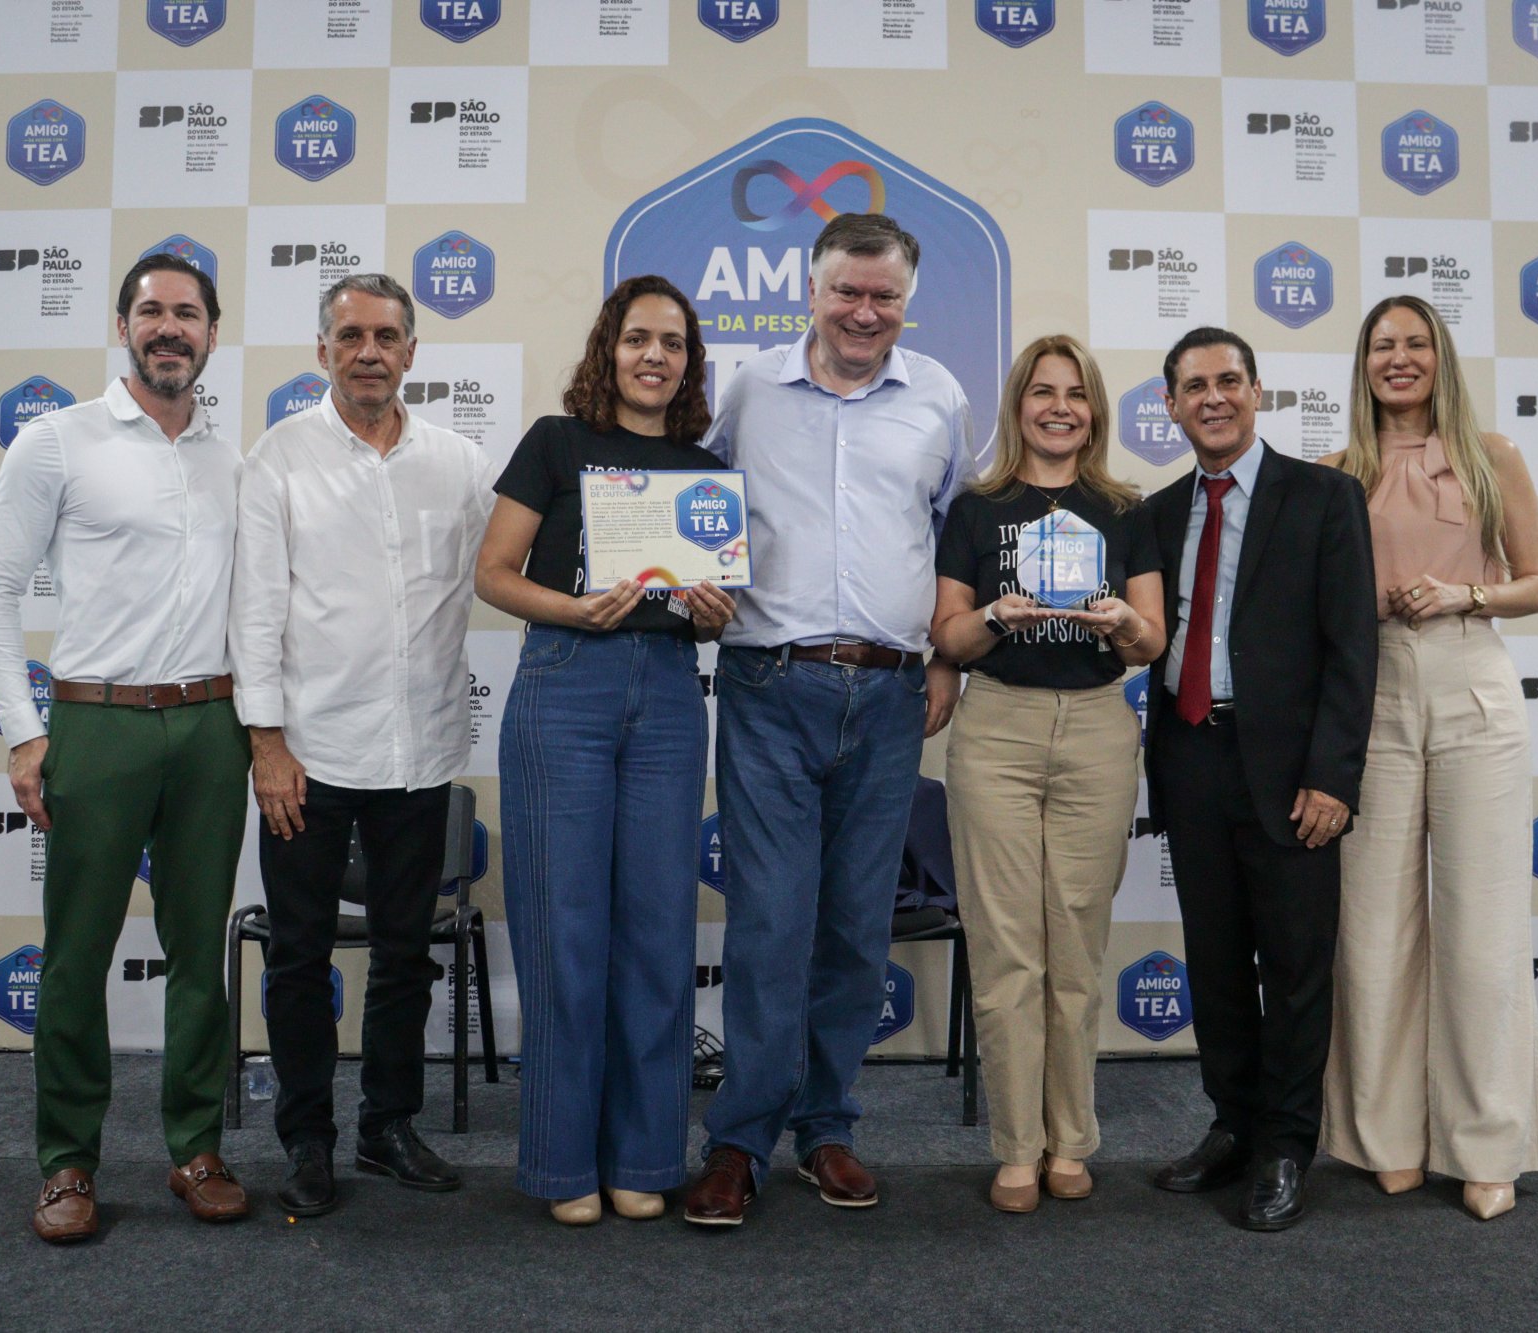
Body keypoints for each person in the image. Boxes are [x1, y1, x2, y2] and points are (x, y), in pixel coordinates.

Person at [682, 212, 973, 1227]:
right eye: (846, 290)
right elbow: (691, 503)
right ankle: (737, 1141)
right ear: (810, 290)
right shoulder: (746, 389)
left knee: (854, 927)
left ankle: (826, 1128)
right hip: (770, 686)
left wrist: (946, 657)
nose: (863, 311)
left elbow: (952, 539)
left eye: (883, 296)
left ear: (906, 301)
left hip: (892, 695)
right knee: (769, 923)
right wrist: (689, 586)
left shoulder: (938, 396)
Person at [0, 254, 251, 1242]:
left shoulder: (232, 460)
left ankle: (196, 1147)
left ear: (211, 332)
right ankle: (67, 1162)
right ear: (123, 326)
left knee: (198, 955)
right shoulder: (57, 441)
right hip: (96, 723)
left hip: (211, 725)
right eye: (151, 311)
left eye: (188, 313)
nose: (170, 327)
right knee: (77, 953)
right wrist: (24, 728)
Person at [228, 273, 494, 1218]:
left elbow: (506, 568)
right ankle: (307, 1139)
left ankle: (387, 1125)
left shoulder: (461, 464)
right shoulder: (278, 459)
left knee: (404, 954)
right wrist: (266, 744)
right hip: (307, 756)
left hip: (420, 750)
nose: (369, 352)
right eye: (350, 337)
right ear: (322, 351)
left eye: (386, 336)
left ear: (412, 351)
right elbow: (254, 611)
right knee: (299, 958)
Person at [476, 275, 736, 1225]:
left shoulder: (703, 469)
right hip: (565, 681)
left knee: (660, 934)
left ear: (689, 362)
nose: (654, 356)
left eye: (673, 342)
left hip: (668, 691)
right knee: (564, 932)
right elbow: (493, 573)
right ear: (608, 349)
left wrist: (714, 613)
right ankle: (560, 1163)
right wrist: (575, 608)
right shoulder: (556, 442)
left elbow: (713, 603)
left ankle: (643, 1155)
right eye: (637, 339)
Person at [1317, 295, 1538, 1221]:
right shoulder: (1337, 471)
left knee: (1482, 928)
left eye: (1416, 342)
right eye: (1383, 345)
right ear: (1364, 363)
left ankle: (1488, 1145)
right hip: (1369, 693)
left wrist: (1463, 593)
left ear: (1439, 356)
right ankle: (1388, 1138)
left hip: (1472, 684)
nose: (1400, 358)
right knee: (1373, 926)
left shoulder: (1493, 455)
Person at [1142, 326, 1377, 1231]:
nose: (1214, 398)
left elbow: (1353, 648)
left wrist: (1334, 776)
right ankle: (1234, 1125)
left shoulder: (1324, 497)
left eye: (1229, 380)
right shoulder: (1160, 511)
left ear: (1257, 390)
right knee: (1215, 961)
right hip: (1191, 755)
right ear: (1170, 405)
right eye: (1195, 386)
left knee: (1295, 963)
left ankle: (1286, 1143)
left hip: (1290, 772)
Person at [929, 335, 1165, 1213]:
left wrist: (1121, 624)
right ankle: (1017, 1147)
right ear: (1018, 405)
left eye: (1075, 394)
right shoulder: (976, 510)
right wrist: (995, 614)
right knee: (1005, 951)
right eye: (1042, 392)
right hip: (997, 727)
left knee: (1075, 946)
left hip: (1098, 729)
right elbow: (948, 637)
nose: (1058, 408)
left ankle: (1072, 1139)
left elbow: (1152, 641)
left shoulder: (1125, 509)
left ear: (1094, 411)